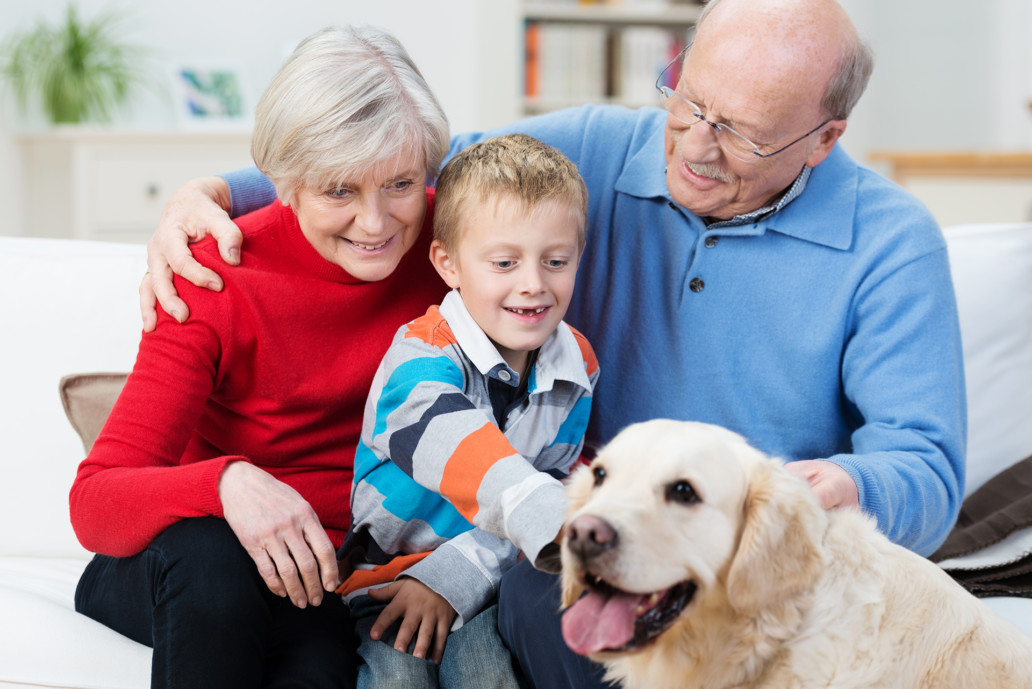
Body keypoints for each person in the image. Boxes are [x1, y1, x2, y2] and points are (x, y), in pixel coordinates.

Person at [138, 0, 967, 687]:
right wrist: (216, 191)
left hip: (741, 545)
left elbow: (924, 464)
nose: (695, 143)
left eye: (743, 134)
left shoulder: (891, 244)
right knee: (547, 595)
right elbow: (415, 171)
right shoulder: (602, 148)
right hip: (576, 520)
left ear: (826, 137)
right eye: (688, 99)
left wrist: (829, 489)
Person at [68, 25, 452, 689]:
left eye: (399, 184)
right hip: (186, 558)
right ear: (284, 182)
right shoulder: (213, 274)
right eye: (339, 190)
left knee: (314, 649)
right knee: (215, 559)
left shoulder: (455, 251)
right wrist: (226, 481)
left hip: (319, 575)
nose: (376, 222)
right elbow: (95, 499)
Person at [339, 133, 598, 688]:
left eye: (556, 261)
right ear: (449, 264)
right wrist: (558, 517)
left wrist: (459, 577)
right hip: (385, 581)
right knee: (397, 679)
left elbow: (552, 477)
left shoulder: (577, 365)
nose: (533, 285)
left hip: (488, 579)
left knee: (488, 678)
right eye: (504, 262)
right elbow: (465, 453)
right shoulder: (417, 359)